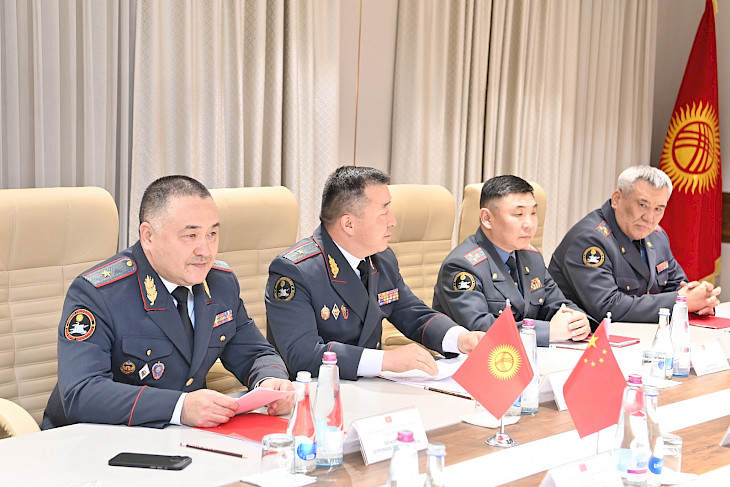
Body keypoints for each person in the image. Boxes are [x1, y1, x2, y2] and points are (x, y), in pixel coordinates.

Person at [41, 175, 294, 430]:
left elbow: (255, 353)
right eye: (191, 235)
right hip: (94, 440)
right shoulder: (99, 293)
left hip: (181, 439)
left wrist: (270, 380)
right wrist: (180, 407)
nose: (205, 251)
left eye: (212, 234)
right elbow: (82, 393)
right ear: (148, 236)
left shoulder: (220, 283)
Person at [265, 166, 484, 381]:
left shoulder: (381, 259)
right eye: (383, 213)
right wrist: (385, 361)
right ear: (349, 224)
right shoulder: (295, 271)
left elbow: (412, 313)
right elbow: (303, 354)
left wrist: (461, 338)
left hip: (372, 388)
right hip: (318, 393)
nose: (393, 221)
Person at [548, 165, 721, 323]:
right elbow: (608, 307)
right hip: (589, 340)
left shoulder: (657, 236)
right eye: (642, 205)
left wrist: (700, 301)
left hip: (639, 335)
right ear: (617, 199)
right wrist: (680, 302)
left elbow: (677, 286)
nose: (649, 218)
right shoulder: (589, 240)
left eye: (658, 209)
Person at [432, 175, 591, 344]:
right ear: (487, 218)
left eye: (533, 213)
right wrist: (549, 331)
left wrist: (577, 320)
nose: (529, 224)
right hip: (477, 358)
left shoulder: (531, 256)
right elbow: (479, 328)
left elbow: (559, 304)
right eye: (518, 214)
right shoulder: (462, 266)